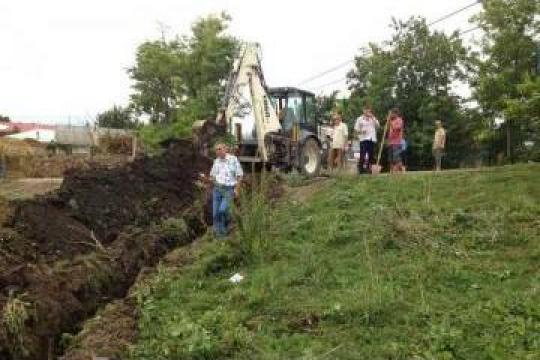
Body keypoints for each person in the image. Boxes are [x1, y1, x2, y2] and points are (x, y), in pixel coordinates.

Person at [209, 143, 243, 238]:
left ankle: (228, 221)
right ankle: (221, 236)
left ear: (225, 149)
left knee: (222, 210)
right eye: (216, 150)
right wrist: (210, 179)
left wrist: (237, 189)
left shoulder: (233, 160)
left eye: (219, 149)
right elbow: (212, 175)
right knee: (215, 214)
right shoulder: (216, 161)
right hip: (217, 189)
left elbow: (240, 176)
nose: (217, 151)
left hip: (229, 189)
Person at [354, 106, 380, 174]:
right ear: (363, 110)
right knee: (362, 155)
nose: (368, 112)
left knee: (371, 155)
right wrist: (361, 132)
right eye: (366, 110)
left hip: (371, 138)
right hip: (363, 139)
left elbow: (378, 126)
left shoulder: (373, 118)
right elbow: (356, 130)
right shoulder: (359, 119)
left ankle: (370, 170)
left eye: (369, 110)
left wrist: (373, 117)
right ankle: (361, 170)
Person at [387, 109, 405, 173]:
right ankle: (392, 171)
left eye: (392, 114)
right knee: (390, 158)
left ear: (396, 114)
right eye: (390, 114)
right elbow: (390, 132)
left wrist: (390, 122)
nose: (391, 115)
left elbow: (397, 128)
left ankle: (401, 168)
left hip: (397, 142)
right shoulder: (392, 121)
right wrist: (388, 141)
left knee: (396, 157)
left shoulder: (399, 120)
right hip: (390, 142)